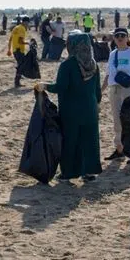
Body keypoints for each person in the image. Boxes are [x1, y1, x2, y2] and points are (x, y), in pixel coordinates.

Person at [38, 32, 102, 182]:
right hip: (90, 109)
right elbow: (97, 91)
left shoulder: (67, 65)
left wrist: (45, 86)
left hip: (71, 111)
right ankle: (89, 172)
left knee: (71, 141)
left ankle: (69, 172)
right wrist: (96, 104)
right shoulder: (93, 64)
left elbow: (61, 87)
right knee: (90, 140)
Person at [104, 28, 130, 160]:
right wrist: (100, 91)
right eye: (117, 36)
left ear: (128, 38)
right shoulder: (113, 54)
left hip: (128, 90)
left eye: (123, 35)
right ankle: (119, 149)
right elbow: (107, 75)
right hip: (114, 90)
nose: (120, 38)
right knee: (117, 121)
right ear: (114, 39)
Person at [8, 17, 30, 88]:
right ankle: (17, 82)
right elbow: (20, 41)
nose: (27, 24)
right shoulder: (22, 29)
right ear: (25, 22)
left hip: (15, 50)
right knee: (21, 66)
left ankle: (18, 78)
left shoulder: (15, 28)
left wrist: (9, 49)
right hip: (19, 50)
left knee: (20, 65)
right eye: (27, 23)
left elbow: (10, 39)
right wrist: (28, 43)